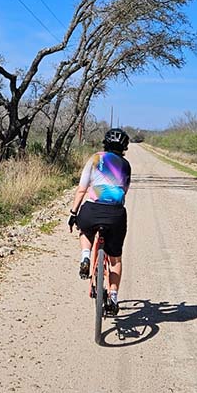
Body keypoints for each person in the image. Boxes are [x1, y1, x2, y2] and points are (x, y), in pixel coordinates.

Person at [68, 128, 132, 315]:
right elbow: (124, 191)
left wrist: (73, 213)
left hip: (92, 211)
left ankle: (86, 256)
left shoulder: (96, 158)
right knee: (115, 260)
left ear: (105, 143)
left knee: (85, 229)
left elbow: (82, 189)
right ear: (125, 147)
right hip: (115, 214)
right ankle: (113, 296)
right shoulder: (126, 165)